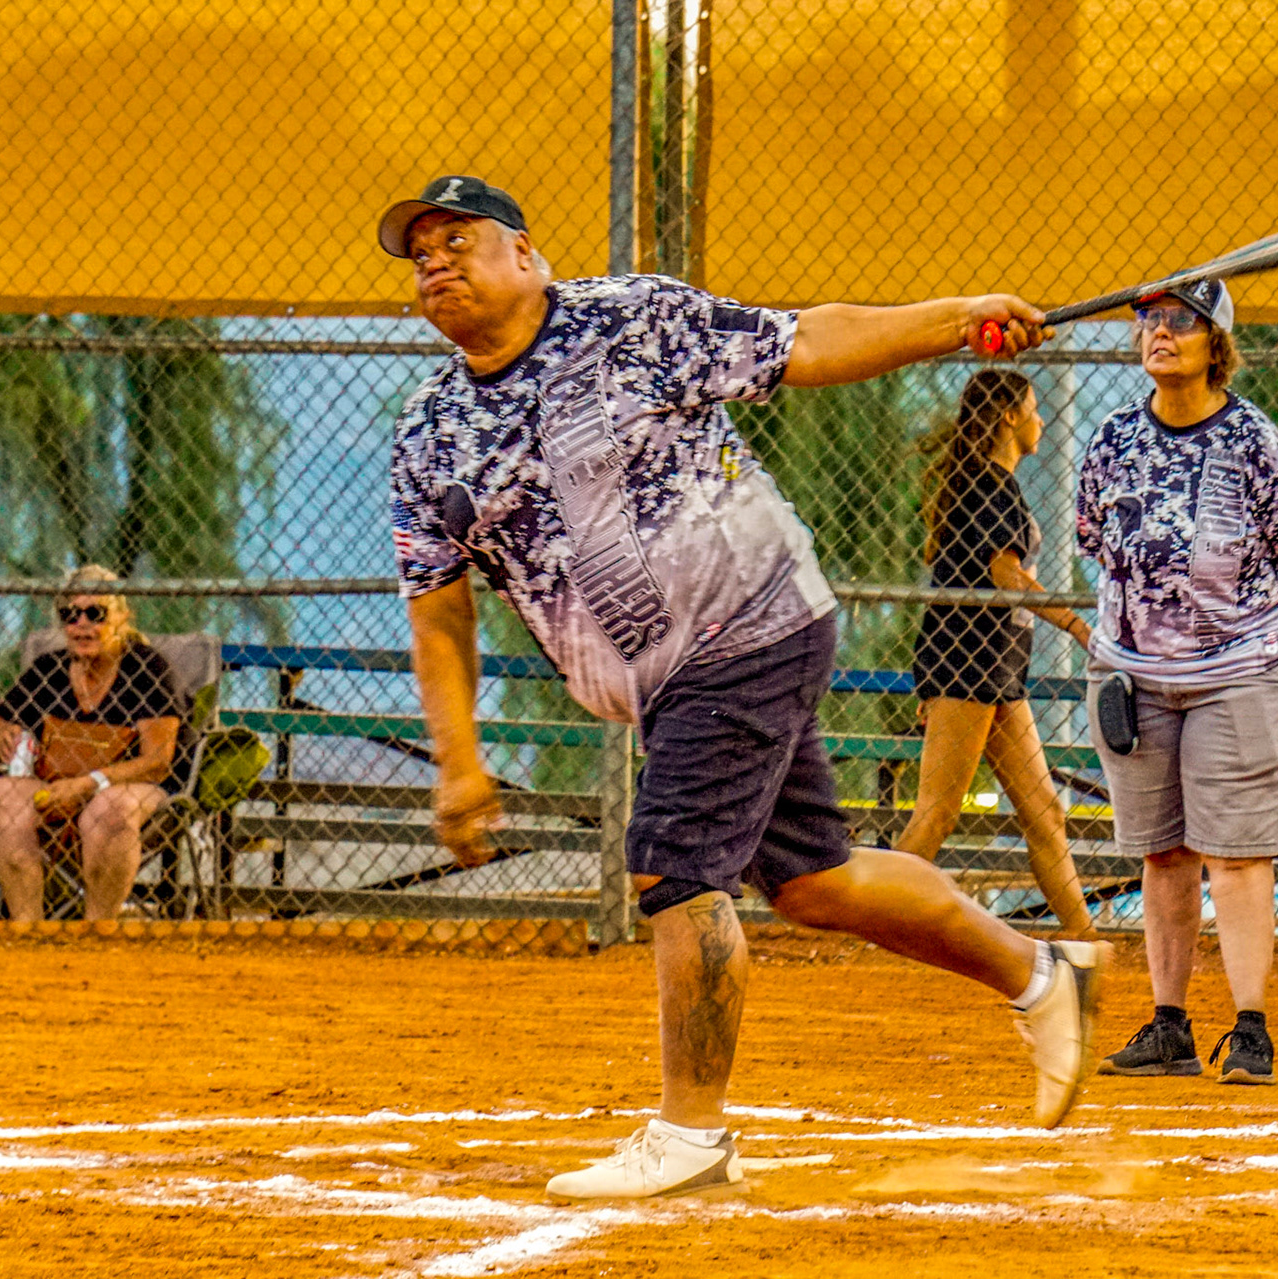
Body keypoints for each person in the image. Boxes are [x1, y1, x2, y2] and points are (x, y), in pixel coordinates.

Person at [378, 175, 1109, 1200]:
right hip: (660, 677)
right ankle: (1043, 975)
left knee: (673, 863)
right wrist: (458, 762)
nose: (436, 263)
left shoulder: (629, 320)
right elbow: (439, 610)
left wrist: (954, 320)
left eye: (458, 240)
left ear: (526, 254)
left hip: (745, 619)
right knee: (816, 883)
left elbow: (805, 341)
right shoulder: (430, 431)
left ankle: (693, 1134)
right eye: (420, 255)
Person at [1076, 280, 1278, 1086]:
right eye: (1150, 319)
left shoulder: (1259, 446)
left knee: (1236, 853)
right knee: (1163, 852)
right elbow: (1096, 543)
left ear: (1214, 341)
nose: (1160, 332)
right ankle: (1169, 1026)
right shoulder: (1115, 438)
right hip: (1136, 672)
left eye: (1181, 320)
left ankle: (1251, 1029)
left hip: (1240, 673)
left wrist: (1225, 631)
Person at [897, 370, 1096, 938]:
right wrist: (1075, 624)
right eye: (1032, 408)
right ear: (1009, 416)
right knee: (936, 815)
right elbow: (1004, 574)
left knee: (1044, 812)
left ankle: (1086, 940)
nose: (1041, 420)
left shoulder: (987, 483)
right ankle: (870, 923)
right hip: (970, 667)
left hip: (996, 668)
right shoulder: (989, 485)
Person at [0, 567, 186, 922]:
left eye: (95, 613)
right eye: (70, 615)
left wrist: (89, 783)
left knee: (109, 809)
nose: (81, 624)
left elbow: (157, 761)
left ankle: (97, 933)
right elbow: (4, 716)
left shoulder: (147, 669)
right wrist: (2, 733)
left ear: (122, 617)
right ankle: (28, 931)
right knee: (3, 796)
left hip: (132, 787)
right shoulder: (49, 669)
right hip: (55, 784)